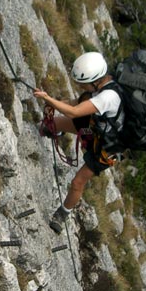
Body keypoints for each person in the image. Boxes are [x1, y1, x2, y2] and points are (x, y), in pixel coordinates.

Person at [33, 51, 125, 234]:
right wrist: (54, 102)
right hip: (96, 128)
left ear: (94, 80)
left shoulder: (107, 97)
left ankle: (62, 214)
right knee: (53, 124)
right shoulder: (101, 86)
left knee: (77, 182)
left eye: (83, 83)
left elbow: (74, 112)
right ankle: (53, 130)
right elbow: (77, 103)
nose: (81, 86)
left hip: (106, 147)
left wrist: (48, 99)